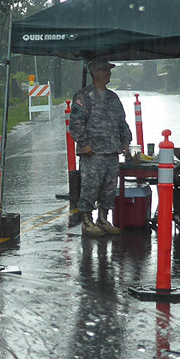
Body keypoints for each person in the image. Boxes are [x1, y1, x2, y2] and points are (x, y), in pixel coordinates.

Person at [69, 57, 133, 237]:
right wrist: (83, 143)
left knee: (109, 188)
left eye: (109, 70)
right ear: (95, 73)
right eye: (105, 70)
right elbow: (75, 123)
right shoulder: (83, 97)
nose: (109, 73)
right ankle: (87, 221)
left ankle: (103, 219)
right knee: (90, 187)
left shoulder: (113, 97)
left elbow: (122, 122)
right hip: (92, 152)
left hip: (111, 151)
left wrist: (125, 142)